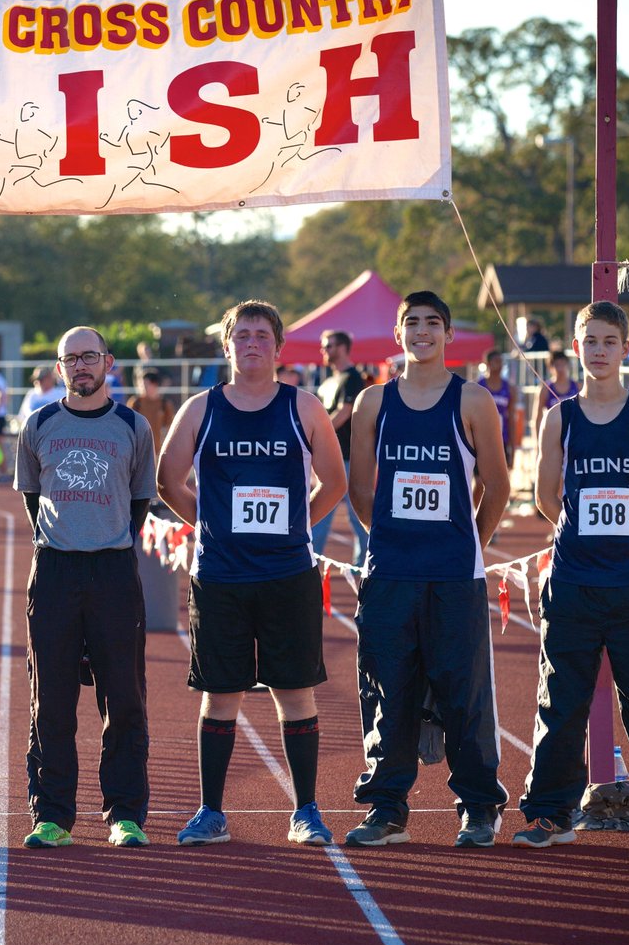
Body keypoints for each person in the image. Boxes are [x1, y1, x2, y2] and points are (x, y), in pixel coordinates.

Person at [158, 300, 346, 847]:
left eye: (263, 335)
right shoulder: (201, 408)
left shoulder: (303, 407)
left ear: (279, 347)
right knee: (220, 696)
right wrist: (210, 524)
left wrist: (296, 527)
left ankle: (306, 811)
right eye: (242, 335)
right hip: (220, 575)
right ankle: (210, 812)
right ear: (227, 345)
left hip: (287, 572)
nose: (252, 343)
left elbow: (331, 481)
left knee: (296, 692)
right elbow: (170, 481)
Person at [514, 300, 629, 848]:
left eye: (608, 342)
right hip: (573, 584)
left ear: (625, 349)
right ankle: (550, 812)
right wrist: (580, 535)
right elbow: (548, 497)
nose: (598, 351)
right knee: (560, 702)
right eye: (589, 341)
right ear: (576, 348)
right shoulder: (560, 418)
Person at [346, 291, 510, 848]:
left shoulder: (473, 400)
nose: (422, 331)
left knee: (463, 693)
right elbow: (360, 490)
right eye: (411, 323)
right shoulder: (373, 403)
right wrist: (390, 541)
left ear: (448, 334)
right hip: (391, 572)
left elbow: (498, 486)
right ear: (398, 334)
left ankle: (479, 807)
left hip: (454, 577)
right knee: (388, 691)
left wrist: (469, 544)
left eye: (432, 323)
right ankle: (387, 806)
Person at [16, 326, 156, 848]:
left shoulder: (133, 426)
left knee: (123, 699)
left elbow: (139, 501)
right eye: (70, 358)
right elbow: (32, 499)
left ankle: (124, 813)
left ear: (108, 362)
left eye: (89, 356)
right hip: (53, 571)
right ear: (59, 369)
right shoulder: (39, 424)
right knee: (50, 701)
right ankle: (52, 816)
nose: (80, 366)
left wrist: (103, 537)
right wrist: (67, 538)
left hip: (113, 574)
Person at [310, 330, 369, 567]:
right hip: (326, 459)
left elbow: (344, 413)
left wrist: (315, 435)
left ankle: (364, 568)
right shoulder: (326, 382)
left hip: (347, 458)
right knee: (320, 515)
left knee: (357, 518)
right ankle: (310, 565)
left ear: (343, 347)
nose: (324, 350)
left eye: (329, 346)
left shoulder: (353, 377)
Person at [126, 369, 175, 457]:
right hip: (139, 452)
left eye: (146, 384)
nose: (142, 387)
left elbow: (170, 429)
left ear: (155, 384)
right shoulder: (135, 403)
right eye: (142, 384)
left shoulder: (165, 404)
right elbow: (127, 427)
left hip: (159, 452)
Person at [533, 348, 580, 440]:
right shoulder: (545, 389)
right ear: (550, 367)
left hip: (573, 436)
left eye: (563, 364)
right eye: (557, 365)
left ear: (568, 364)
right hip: (553, 435)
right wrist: (537, 443)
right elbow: (537, 417)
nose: (560, 368)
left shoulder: (578, 387)